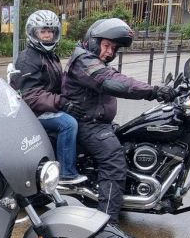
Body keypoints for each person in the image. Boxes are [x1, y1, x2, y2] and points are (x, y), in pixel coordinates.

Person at [62, 18, 177, 223]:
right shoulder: (84, 61)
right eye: (106, 45)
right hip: (86, 124)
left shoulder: (92, 59)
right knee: (114, 161)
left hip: (97, 122)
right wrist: (154, 91)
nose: (109, 52)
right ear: (93, 41)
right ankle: (107, 224)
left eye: (114, 48)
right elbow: (112, 81)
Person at [11, 9, 87, 184]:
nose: (47, 36)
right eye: (42, 31)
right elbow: (30, 96)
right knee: (68, 124)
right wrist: (61, 102)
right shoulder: (28, 58)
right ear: (33, 33)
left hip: (47, 106)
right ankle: (67, 173)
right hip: (31, 113)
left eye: (50, 32)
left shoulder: (50, 55)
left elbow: (57, 84)